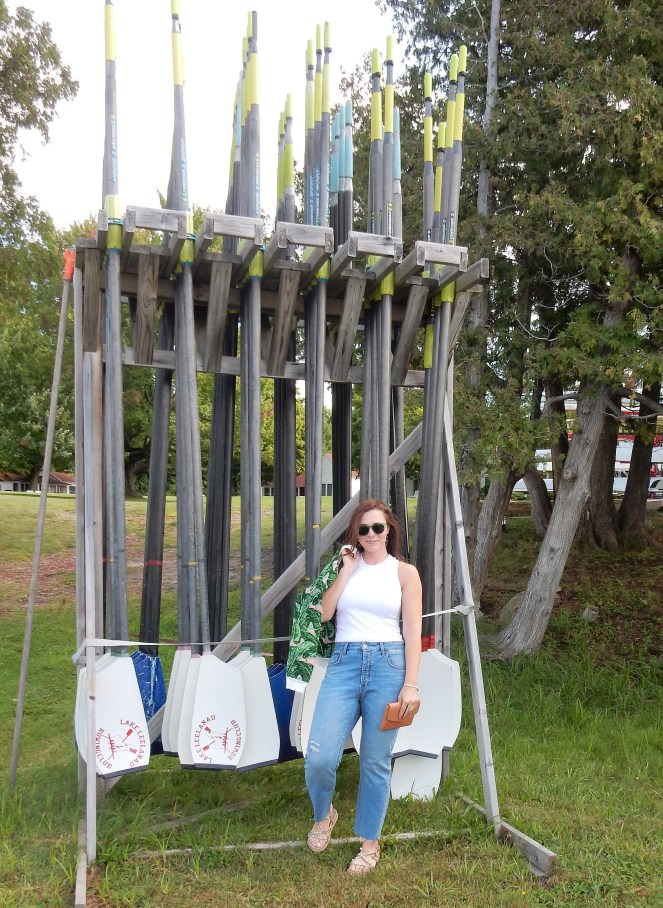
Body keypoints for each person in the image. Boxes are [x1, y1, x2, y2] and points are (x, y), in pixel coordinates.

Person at [304, 498, 422, 874]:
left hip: (388, 664)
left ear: (389, 532)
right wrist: (345, 572)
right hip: (344, 663)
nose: (371, 534)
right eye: (364, 529)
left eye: (378, 528)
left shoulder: (405, 573)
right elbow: (324, 613)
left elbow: (412, 630)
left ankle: (370, 843)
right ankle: (324, 815)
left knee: (374, 758)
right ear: (356, 533)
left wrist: (411, 683)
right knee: (320, 756)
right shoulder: (345, 566)